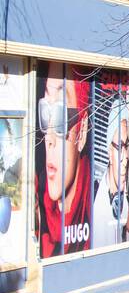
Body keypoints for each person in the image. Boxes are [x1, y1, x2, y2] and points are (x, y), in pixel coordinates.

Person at [37, 63, 92, 256]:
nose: (49, 139)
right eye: (45, 112)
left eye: (60, 117)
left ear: (82, 132)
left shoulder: (95, 206)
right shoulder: (35, 197)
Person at [92, 95, 129, 246]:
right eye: (119, 147)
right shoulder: (94, 201)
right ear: (108, 151)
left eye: (126, 146)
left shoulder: (119, 195)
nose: (125, 157)